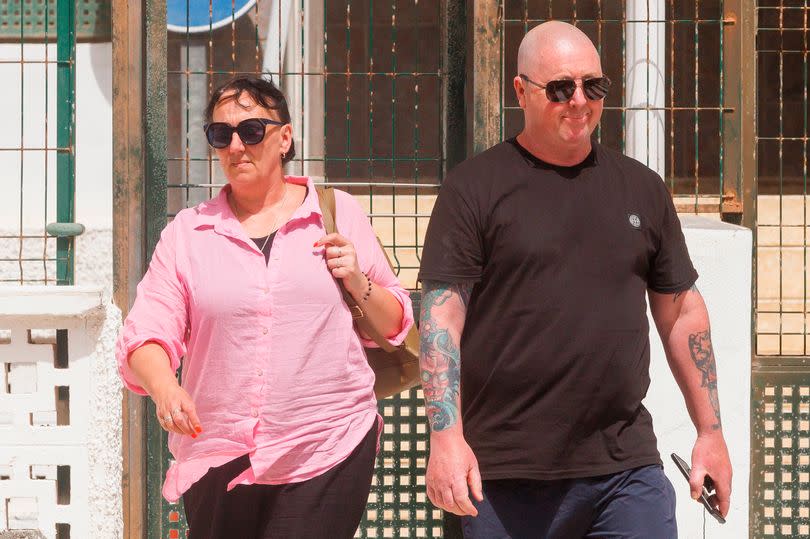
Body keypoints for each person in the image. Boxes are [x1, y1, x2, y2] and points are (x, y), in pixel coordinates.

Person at [417, 21, 732, 539]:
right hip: (503, 475)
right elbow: (441, 319)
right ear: (521, 90)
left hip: (623, 468)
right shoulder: (473, 189)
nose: (580, 101)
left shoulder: (642, 189)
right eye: (561, 88)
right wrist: (447, 439)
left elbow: (681, 312)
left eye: (594, 86)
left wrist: (711, 433)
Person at [115, 75, 414, 539]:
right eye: (221, 134)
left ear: (284, 137)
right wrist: (164, 389)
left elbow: (395, 325)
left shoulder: (338, 213)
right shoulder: (187, 234)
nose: (236, 146)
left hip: (325, 442)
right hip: (218, 449)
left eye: (251, 131)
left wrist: (357, 280)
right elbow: (146, 331)